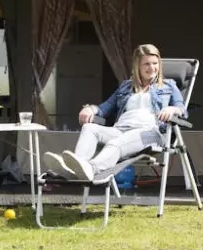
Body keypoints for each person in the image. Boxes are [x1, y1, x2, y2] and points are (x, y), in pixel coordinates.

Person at [42, 44, 185, 182]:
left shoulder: (169, 85)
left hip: (149, 132)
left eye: (155, 63)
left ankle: (91, 169)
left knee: (116, 143)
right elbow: (105, 107)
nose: (152, 68)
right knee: (89, 128)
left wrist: (172, 109)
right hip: (120, 129)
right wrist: (90, 109)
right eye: (146, 64)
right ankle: (75, 169)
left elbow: (181, 109)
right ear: (137, 66)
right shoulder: (126, 86)